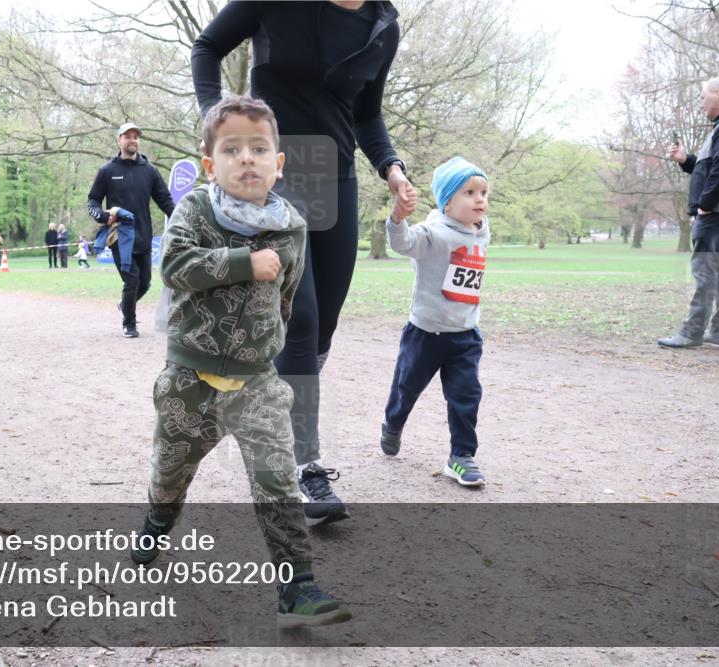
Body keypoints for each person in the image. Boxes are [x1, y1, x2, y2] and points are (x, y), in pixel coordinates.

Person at [192, 0, 417, 524]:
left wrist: (392, 167)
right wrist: (215, 120)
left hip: (334, 177)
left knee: (321, 331)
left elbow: (367, 114)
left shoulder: (383, 25)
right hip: (270, 172)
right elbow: (206, 48)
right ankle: (304, 466)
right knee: (303, 317)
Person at [132, 95, 352, 628]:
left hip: (256, 381)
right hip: (190, 380)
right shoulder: (194, 210)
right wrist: (243, 262)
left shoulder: (292, 226)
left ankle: (296, 588)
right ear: (211, 164)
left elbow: (287, 296)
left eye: (259, 148)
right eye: (232, 149)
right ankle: (157, 525)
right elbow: (177, 266)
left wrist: (262, 344)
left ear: (279, 162)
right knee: (171, 472)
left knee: (276, 477)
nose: (247, 158)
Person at [379, 157, 491, 487]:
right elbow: (403, 243)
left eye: (484, 192)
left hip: (465, 336)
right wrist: (398, 219)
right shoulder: (432, 233)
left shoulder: (482, 232)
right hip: (425, 334)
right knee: (406, 390)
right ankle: (393, 423)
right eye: (469, 192)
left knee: (466, 397)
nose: (480, 199)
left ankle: (462, 456)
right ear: (446, 201)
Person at [660, 75, 719, 349]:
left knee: (705, 272)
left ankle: (692, 332)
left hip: (716, 214)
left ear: (718, 93)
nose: (700, 102)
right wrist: (686, 160)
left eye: (702, 95)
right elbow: (711, 166)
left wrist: (704, 205)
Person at [87, 122, 176, 338]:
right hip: (119, 236)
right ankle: (129, 324)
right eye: (127, 136)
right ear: (119, 140)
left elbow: (165, 200)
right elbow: (93, 201)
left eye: (136, 136)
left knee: (144, 283)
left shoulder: (150, 171)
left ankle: (126, 305)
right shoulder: (107, 171)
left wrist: (181, 219)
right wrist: (103, 216)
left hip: (143, 235)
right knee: (132, 280)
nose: (132, 140)